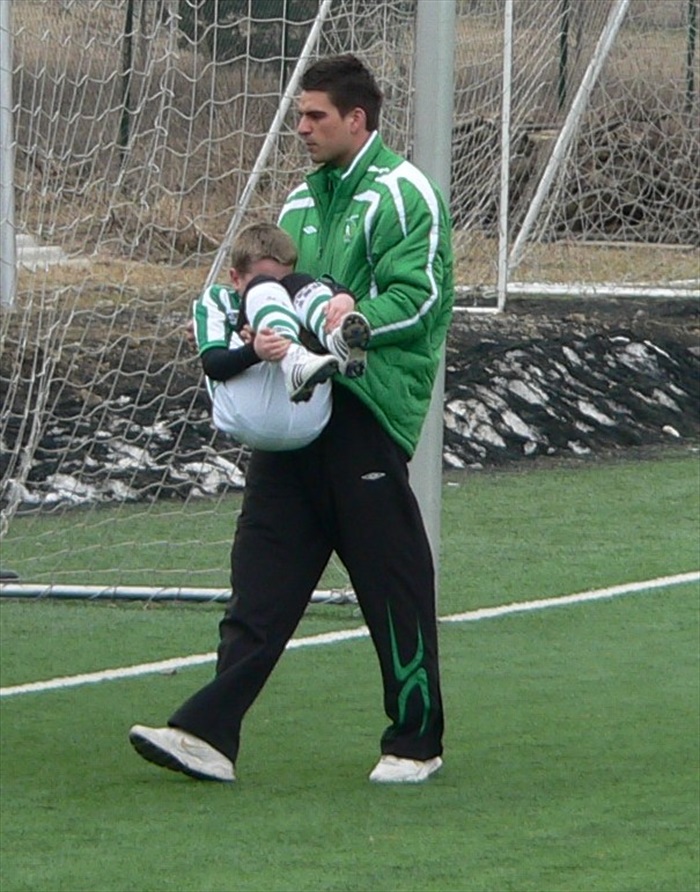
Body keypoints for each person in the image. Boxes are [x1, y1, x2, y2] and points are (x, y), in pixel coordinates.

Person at [129, 53, 454, 785]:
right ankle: (207, 734)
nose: (300, 128)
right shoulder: (301, 204)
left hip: (364, 412)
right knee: (262, 573)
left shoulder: (405, 194)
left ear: (356, 119)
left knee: (390, 579)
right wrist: (250, 338)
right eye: (300, 115)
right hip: (297, 410)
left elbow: (425, 296)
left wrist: (353, 324)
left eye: (314, 117)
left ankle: (416, 741)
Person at [193, 221, 370, 451]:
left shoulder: (291, 290)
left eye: (281, 281)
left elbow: (328, 287)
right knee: (266, 291)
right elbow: (213, 365)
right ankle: (294, 355)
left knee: (299, 286)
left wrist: (344, 297)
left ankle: (336, 342)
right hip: (248, 411)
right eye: (263, 279)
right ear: (235, 279)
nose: (278, 292)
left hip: (310, 417)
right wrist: (256, 351)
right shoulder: (219, 299)